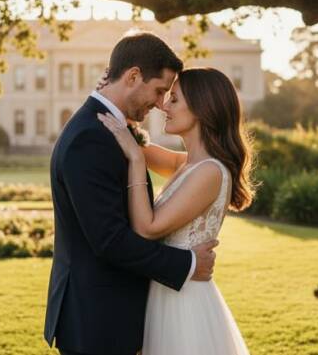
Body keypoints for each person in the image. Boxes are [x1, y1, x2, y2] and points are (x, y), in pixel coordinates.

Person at [43, 31, 219, 355]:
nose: (161, 103)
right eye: (160, 91)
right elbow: (110, 240)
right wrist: (188, 264)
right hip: (97, 321)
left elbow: (182, 163)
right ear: (133, 76)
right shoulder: (90, 138)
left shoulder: (108, 128)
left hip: (111, 316)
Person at [98, 66, 254, 355]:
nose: (163, 106)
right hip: (167, 291)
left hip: (184, 304)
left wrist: (136, 161)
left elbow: (148, 228)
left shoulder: (210, 172)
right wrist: (111, 94)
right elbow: (133, 140)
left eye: (174, 99)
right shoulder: (188, 164)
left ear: (201, 108)